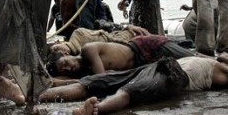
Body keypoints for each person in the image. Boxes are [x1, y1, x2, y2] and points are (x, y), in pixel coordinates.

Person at [40, 53, 228, 115]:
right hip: (157, 66)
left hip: (173, 75)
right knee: (95, 81)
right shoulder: (208, 58)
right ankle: (32, 96)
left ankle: (95, 111)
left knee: (130, 92)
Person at [47, 34, 195, 78]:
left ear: (67, 54)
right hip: (141, 63)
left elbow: (102, 77)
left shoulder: (87, 50)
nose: (68, 68)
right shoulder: (85, 71)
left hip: (143, 46)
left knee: (192, 57)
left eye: (65, 63)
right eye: (64, 70)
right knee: (187, 65)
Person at [49, 25, 150, 56]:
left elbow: (102, 30)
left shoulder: (77, 34)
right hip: (125, 47)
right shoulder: (80, 56)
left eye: (56, 48)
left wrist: (125, 27)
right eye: (59, 54)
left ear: (59, 42)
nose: (60, 52)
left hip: (122, 36)